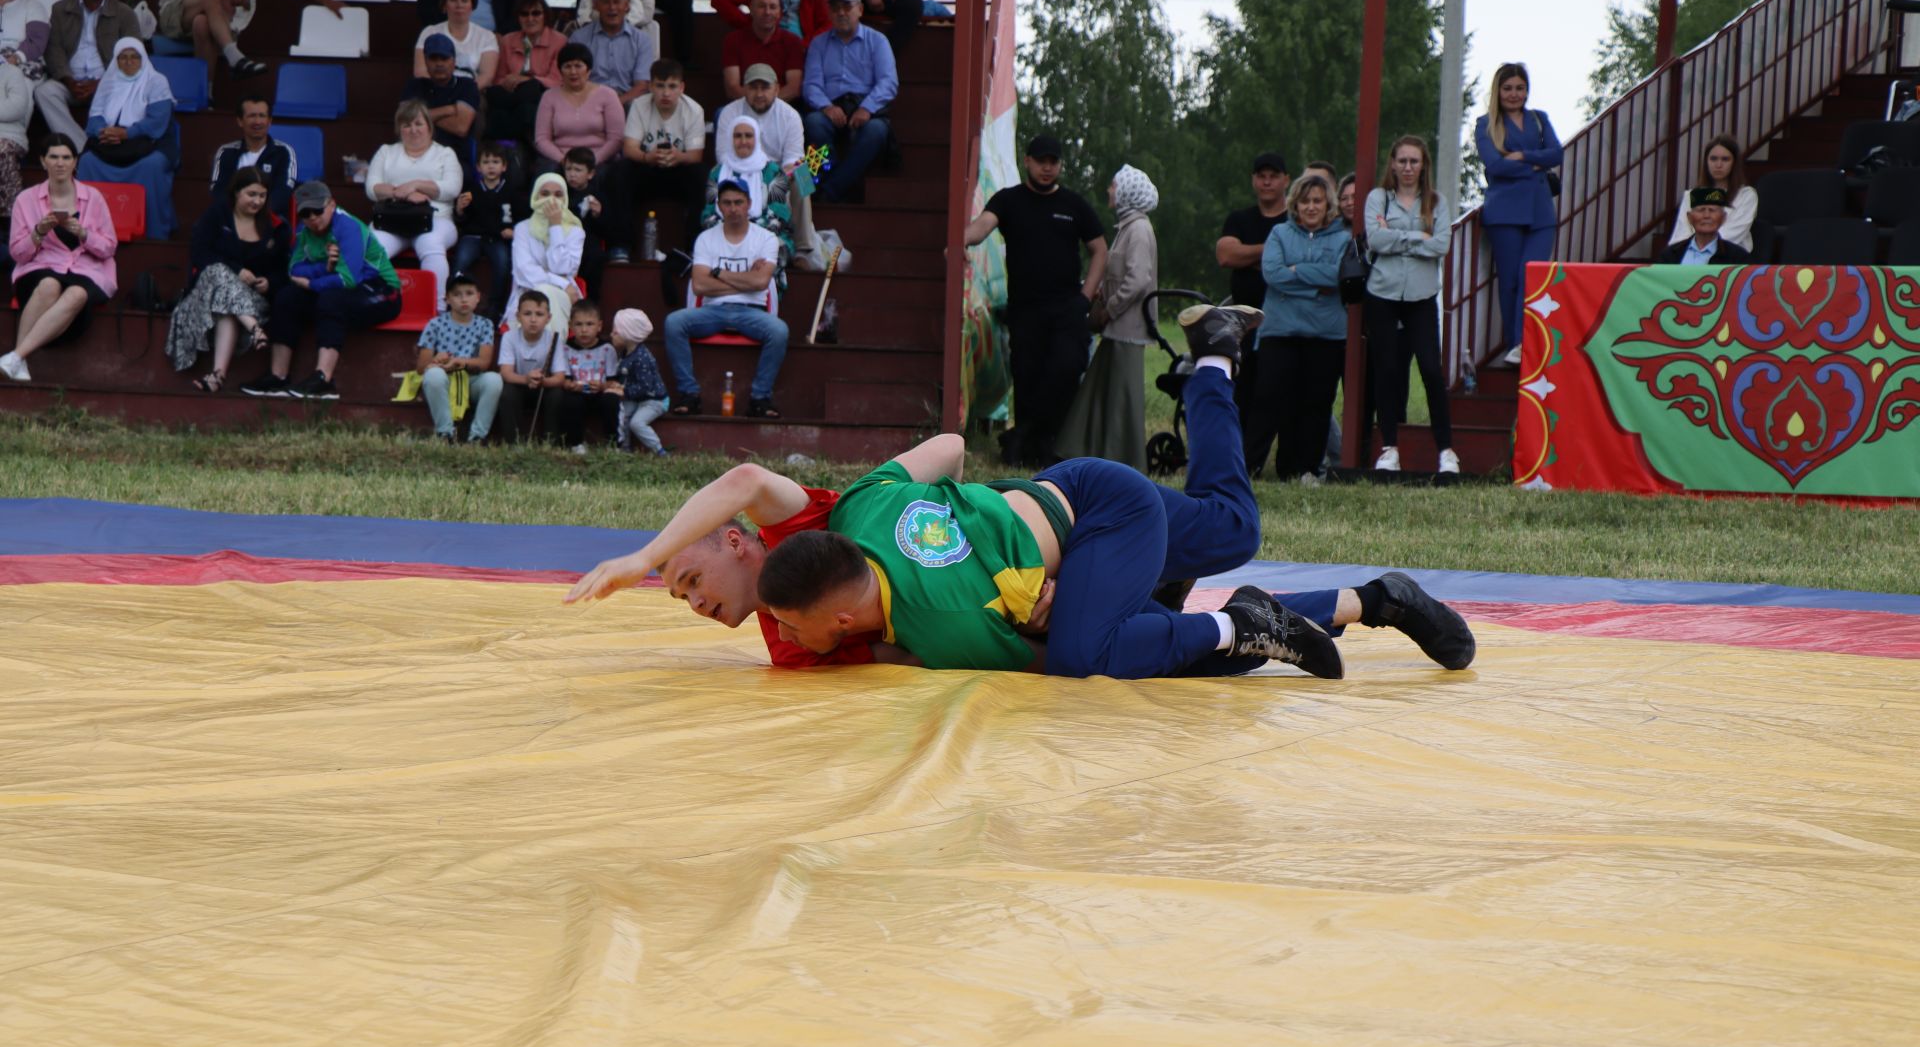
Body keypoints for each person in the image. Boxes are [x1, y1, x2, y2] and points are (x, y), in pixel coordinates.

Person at [565, 306, 1475, 678]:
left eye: (685, 582)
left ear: (737, 540)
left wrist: (639, 556)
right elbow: (951, 452)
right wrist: (984, 516)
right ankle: (1371, 595)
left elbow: (739, 480)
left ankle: (1247, 624)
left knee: (1086, 654)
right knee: (1223, 543)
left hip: (1091, 515)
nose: (687, 603)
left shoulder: (827, 519)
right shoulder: (861, 513)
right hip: (1069, 505)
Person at [964, 132, 1107, 467]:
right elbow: (980, 228)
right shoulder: (1008, 200)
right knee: (1026, 374)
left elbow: (1100, 249)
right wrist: (958, 242)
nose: (1046, 167)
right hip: (1025, 311)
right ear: (1027, 161)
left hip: (1067, 310)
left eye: (1052, 162)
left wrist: (1085, 298)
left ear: (1059, 165)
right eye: (1040, 160)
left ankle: (1037, 438)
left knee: (1066, 368)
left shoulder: (1074, 205)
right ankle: (1024, 446)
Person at [246, 180, 402, 400]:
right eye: (305, 213)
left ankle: (323, 379)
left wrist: (312, 283)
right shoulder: (304, 231)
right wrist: (325, 268)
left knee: (330, 300)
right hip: (337, 286)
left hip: (381, 290)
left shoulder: (347, 227)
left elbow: (347, 279)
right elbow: (294, 269)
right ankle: (278, 376)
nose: (312, 218)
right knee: (287, 297)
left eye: (317, 211)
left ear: (331, 205)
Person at [1363, 135, 1456, 475]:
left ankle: (1446, 450)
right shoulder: (1379, 198)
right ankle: (1389, 448)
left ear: (1423, 165)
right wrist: (1419, 237)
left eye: (1414, 161)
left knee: (1431, 369)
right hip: (1383, 293)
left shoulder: (1436, 201)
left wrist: (1397, 238)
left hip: (1421, 296)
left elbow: (1442, 244)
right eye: (1401, 161)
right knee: (1386, 370)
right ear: (1392, 163)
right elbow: (1375, 239)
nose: (1407, 167)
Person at [1243, 174, 1344, 483]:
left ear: (1327, 204)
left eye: (1317, 201)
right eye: (1305, 201)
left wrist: (1296, 271)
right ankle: (1247, 467)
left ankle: (1304, 470)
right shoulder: (1279, 233)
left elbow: (1337, 275)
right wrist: (1315, 288)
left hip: (1326, 334)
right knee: (1269, 400)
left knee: (1315, 404)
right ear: (1295, 204)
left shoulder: (1343, 238)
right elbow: (1273, 274)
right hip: (1279, 332)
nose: (1311, 207)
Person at [1058, 164, 1158, 472]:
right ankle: (1089, 452)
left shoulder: (1139, 229)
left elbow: (1139, 279)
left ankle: (1124, 462)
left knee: (1121, 398)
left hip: (1127, 328)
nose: (1109, 191)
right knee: (1103, 392)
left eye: (1114, 186)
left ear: (1127, 191)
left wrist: (1109, 308)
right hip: (1117, 328)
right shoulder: (1127, 228)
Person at [663, 178, 786, 417]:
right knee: (673, 323)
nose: (733, 208)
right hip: (712, 311)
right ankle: (689, 394)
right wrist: (746, 279)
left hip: (752, 311)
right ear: (719, 206)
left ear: (749, 204)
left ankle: (760, 398)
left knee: (779, 331)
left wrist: (718, 273)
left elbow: (761, 282)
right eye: (727, 203)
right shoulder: (706, 238)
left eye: (738, 202)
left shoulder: (766, 238)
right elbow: (699, 285)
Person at [1, 133, 115, 383]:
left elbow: (108, 247)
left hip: (87, 270)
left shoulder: (93, 197)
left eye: (66, 157)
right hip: (40, 266)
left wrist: (83, 233)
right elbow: (17, 253)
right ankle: (17, 360)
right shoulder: (25, 199)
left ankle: (17, 356)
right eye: (53, 157)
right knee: (49, 285)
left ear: (75, 162)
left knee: (77, 292)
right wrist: (38, 232)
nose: (60, 163)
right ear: (43, 161)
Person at [167, 165, 288, 390]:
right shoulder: (217, 215)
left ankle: (217, 376)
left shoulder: (276, 227)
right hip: (206, 298)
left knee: (228, 305)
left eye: (262, 196)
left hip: (250, 302)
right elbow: (199, 253)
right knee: (218, 271)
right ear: (236, 192)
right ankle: (254, 330)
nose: (257, 201)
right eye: (251, 194)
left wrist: (269, 283)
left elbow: (283, 269)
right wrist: (237, 270)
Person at [1475, 61, 1561, 367]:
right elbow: (1494, 166)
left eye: (1520, 88)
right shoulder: (1486, 124)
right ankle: (1516, 345)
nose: (1514, 94)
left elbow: (1556, 153)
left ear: (1528, 90)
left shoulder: (1539, 119)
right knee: (1510, 281)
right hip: (1504, 213)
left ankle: (1529, 342)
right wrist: (1536, 166)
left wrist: (1523, 156)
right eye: (1508, 88)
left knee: (1533, 273)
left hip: (1540, 212)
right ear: (1498, 91)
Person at [158, 0, 343, 79]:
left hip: (221, 25)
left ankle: (205, 93)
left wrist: (327, 1)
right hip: (178, 13)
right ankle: (236, 57)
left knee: (202, 23)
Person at [801, 0, 896, 203]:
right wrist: (827, 107)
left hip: (864, 108)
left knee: (876, 131)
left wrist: (867, 108)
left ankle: (826, 191)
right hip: (829, 109)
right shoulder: (819, 43)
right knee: (813, 123)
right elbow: (811, 85)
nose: (841, 12)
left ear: (860, 9)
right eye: (835, 8)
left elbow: (888, 82)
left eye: (847, 6)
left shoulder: (877, 41)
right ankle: (809, 188)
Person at [37, 0, 140, 151]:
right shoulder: (60, 9)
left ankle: (103, 148)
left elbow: (134, 57)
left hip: (109, 83)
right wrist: (68, 80)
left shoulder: (124, 13)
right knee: (44, 92)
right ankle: (83, 147)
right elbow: (53, 49)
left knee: (127, 93)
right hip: (69, 82)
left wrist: (101, 84)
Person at [77, 38, 178, 240]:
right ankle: (87, 231)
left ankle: (153, 233)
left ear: (143, 59)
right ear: (116, 60)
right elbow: (95, 115)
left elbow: (157, 121)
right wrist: (103, 132)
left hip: (148, 140)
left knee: (152, 166)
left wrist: (126, 133)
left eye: (134, 57)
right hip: (111, 140)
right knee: (87, 161)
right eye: (123, 57)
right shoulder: (109, 81)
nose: (129, 62)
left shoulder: (156, 81)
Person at [537, 43, 629, 265]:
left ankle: (617, 243)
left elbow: (616, 138)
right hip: (561, 158)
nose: (573, 71)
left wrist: (589, 163)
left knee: (617, 176)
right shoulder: (550, 97)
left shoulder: (607, 95)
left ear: (588, 70)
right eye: (567, 66)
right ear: (560, 70)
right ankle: (543, 234)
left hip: (599, 158)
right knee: (547, 173)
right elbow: (541, 138)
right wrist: (567, 162)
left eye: (578, 66)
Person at [716, 62, 815, 265]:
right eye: (753, 87)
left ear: (777, 89)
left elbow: (794, 161)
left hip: (778, 177)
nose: (759, 93)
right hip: (740, 175)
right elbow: (723, 157)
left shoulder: (790, 116)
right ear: (744, 89)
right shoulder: (730, 113)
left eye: (765, 87)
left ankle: (803, 249)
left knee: (803, 174)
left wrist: (772, 178)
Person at [366, 99, 463, 301]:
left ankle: (437, 305)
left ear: (429, 126)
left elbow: (452, 188)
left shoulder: (445, 154)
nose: (413, 129)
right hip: (392, 219)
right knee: (371, 248)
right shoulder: (386, 152)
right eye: (407, 125)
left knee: (431, 243)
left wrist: (416, 184)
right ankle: (372, 301)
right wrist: (403, 193)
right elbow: (372, 187)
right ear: (399, 129)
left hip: (436, 218)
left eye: (418, 123)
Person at [1216, 151, 1291, 407]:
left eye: (1274, 176)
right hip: (1244, 327)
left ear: (1286, 180)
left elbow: (1299, 262)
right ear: (1253, 180)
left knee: (1283, 399)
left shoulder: (1295, 220)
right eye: (1262, 177)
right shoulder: (1239, 219)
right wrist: (1273, 252)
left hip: (1286, 324)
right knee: (1245, 397)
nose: (1267, 182)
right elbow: (1226, 255)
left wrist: (1250, 256)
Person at [620, 57, 706, 250]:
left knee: (701, 174)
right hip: (647, 168)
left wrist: (679, 157)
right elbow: (629, 148)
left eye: (672, 86)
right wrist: (647, 157)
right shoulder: (639, 105)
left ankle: (695, 247)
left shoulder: (694, 110)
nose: (666, 93)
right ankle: (621, 245)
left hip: (678, 171)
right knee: (620, 172)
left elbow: (695, 155)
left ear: (682, 87)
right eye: (660, 86)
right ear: (650, 86)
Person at [699, 117, 792, 283]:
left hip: (763, 237)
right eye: (738, 136)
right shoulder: (717, 172)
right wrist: (730, 235)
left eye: (748, 136)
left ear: (756, 138)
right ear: (730, 139)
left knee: (772, 251)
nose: (743, 141)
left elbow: (778, 219)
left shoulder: (773, 172)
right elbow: (708, 215)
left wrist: (746, 236)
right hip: (723, 234)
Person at [413, 272, 502, 444]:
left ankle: (477, 436)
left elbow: (484, 363)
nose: (463, 299)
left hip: (470, 380)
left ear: (478, 297)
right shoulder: (435, 324)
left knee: (494, 380)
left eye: (469, 294)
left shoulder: (485, 324)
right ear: (447, 299)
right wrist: (436, 360)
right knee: (433, 375)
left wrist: (459, 362)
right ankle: (445, 433)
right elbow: (421, 368)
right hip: (445, 379)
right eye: (456, 294)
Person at [450, 141, 525, 318]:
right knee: (460, 261)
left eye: (496, 162)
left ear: (504, 166)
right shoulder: (471, 190)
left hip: (498, 238)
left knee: (502, 263)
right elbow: (461, 220)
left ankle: (495, 307)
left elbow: (522, 219)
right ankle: (453, 302)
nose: (491, 166)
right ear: (478, 167)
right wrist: (459, 209)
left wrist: (513, 230)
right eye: (486, 162)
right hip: (473, 237)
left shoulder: (511, 192)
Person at [505, 170, 582, 320]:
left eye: (558, 195)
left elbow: (563, 267)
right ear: (535, 196)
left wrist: (555, 227)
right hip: (529, 291)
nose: (551, 200)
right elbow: (525, 271)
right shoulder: (522, 228)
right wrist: (561, 283)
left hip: (564, 294)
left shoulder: (575, 231)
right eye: (545, 194)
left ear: (565, 198)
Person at [489, 0, 562, 146]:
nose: (530, 19)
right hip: (511, 93)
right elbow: (499, 78)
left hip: (541, 93)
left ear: (545, 16)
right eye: (524, 14)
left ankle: (520, 145)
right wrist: (509, 82)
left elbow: (557, 81)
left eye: (536, 13)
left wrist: (527, 80)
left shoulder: (559, 41)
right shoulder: (508, 40)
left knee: (529, 98)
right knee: (494, 97)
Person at [568, 0, 652, 109]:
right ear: (596, 6)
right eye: (606, 2)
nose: (612, 7)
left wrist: (615, 104)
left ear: (627, 6)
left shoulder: (642, 40)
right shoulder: (579, 38)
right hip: (588, 102)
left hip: (627, 102)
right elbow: (573, 80)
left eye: (617, 2)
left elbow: (642, 85)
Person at [1666, 134, 1756, 253]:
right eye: (1713, 159)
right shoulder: (1692, 195)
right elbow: (1680, 235)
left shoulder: (1746, 195)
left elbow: (1731, 235)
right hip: (1690, 257)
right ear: (1706, 161)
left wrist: (1701, 249)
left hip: (1728, 260)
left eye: (1725, 159)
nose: (1718, 165)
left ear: (1734, 163)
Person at [494, 288, 564, 440]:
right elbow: (506, 373)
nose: (533, 320)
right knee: (507, 393)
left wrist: (542, 381)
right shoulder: (509, 337)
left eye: (539, 314)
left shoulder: (554, 339)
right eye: (527, 314)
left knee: (557, 394)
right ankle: (513, 440)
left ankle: (550, 440)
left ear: (548, 318)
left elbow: (559, 377)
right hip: (519, 384)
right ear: (518, 316)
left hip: (543, 386)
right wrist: (526, 379)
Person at [209, 96, 297, 215]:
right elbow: (218, 190)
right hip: (232, 218)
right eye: (252, 116)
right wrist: (238, 216)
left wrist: (255, 215)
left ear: (269, 121)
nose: (257, 122)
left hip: (269, 220)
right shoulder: (226, 152)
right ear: (240, 121)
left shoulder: (283, 152)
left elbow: (283, 191)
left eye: (262, 116)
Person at [401, 33, 481, 157]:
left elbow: (461, 127)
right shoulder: (414, 86)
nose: (439, 64)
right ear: (426, 61)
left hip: (456, 155)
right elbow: (405, 119)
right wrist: (450, 109)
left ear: (454, 61)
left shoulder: (467, 86)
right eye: (433, 59)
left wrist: (421, 116)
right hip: (417, 153)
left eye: (444, 58)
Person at [720, 0, 806, 100]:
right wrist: (755, 105)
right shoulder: (733, 40)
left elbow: (793, 88)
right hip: (743, 106)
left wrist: (766, 104)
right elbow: (732, 87)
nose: (767, 12)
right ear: (751, 9)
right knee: (720, 114)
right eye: (761, 6)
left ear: (780, 12)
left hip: (781, 106)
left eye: (773, 7)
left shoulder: (793, 42)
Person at [557, 296, 619, 453]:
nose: (584, 330)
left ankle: (612, 442)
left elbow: (613, 383)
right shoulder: (565, 349)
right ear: (570, 326)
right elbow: (565, 379)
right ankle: (576, 443)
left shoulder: (607, 349)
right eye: (578, 324)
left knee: (611, 400)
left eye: (589, 324)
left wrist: (603, 386)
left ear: (599, 326)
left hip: (600, 392)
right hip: (577, 393)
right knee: (570, 402)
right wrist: (569, 385)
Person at [414, 0, 498, 88]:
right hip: (432, 91)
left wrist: (463, 93)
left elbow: (487, 76)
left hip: (472, 93)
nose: (459, 5)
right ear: (444, 6)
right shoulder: (429, 32)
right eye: (453, 0)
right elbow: (420, 71)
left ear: (472, 6)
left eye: (464, 0)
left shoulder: (487, 37)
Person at [610, 306, 668, 455]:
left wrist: (622, 391)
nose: (611, 335)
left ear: (627, 333)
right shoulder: (625, 353)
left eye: (615, 331)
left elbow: (645, 386)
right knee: (622, 414)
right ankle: (625, 447)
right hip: (636, 399)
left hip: (654, 400)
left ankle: (659, 450)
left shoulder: (642, 358)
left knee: (637, 423)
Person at [561, 146, 614, 295]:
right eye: (568, 169)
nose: (572, 174)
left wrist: (598, 215)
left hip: (588, 243)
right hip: (563, 240)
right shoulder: (561, 192)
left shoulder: (598, 195)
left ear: (590, 174)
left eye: (578, 170)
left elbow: (607, 230)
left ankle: (590, 300)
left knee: (595, 256)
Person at [1655, 187, 1751, 266]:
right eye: (1701, 210)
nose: (1706, 215)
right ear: (1689, 217)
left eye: (1712, 210)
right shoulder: (1670, 254)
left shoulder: (1737, 257)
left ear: (1723, 218)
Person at [0, 36, 26, 229]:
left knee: (2, 150)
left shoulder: (11, 72)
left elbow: (17, 107)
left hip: (8, 134)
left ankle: (10, 219)